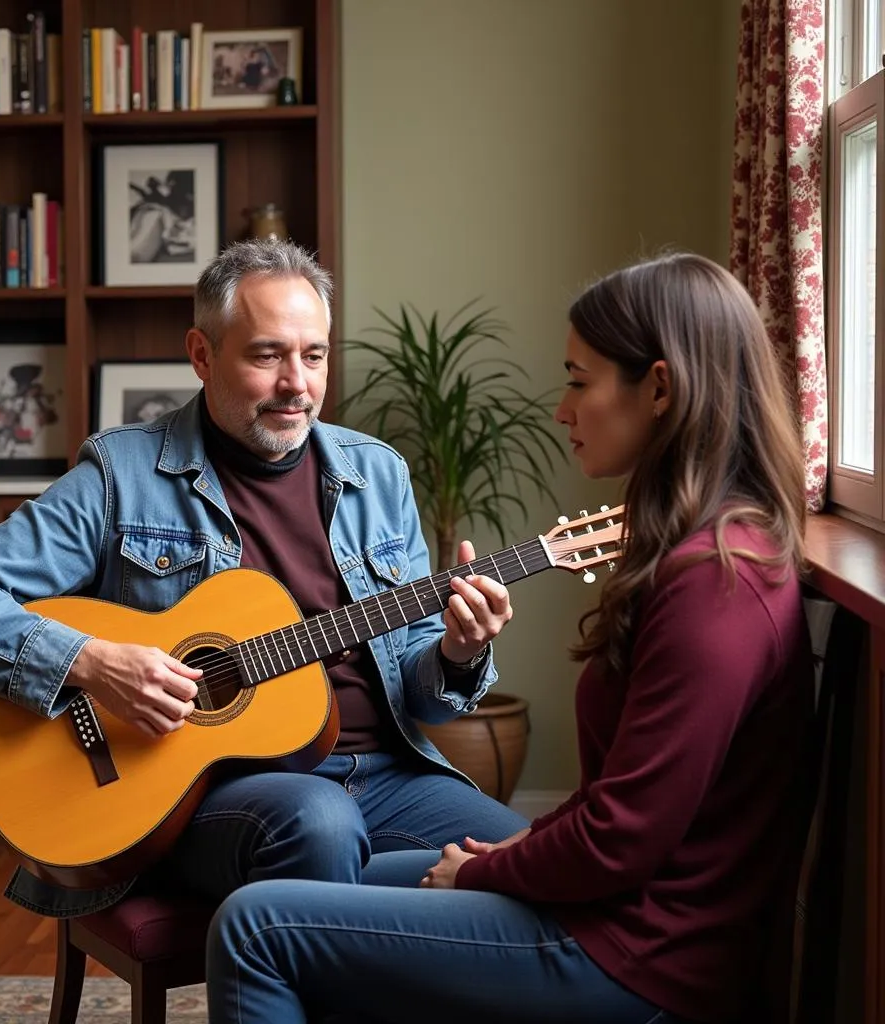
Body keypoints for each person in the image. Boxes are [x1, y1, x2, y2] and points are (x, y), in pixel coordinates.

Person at [202, 252, 815, 1024]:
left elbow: (622, 838)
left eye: (578, 380)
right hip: (619, 916)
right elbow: (617, 807)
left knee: (254, 927)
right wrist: (503, 861)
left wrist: (487, 873)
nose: (561, 409)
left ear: (658, 388)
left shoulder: (716, 586)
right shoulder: (707, 553)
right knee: (349, 886)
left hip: (641, 956)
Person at [0, 239, 527, 920]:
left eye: (313, 356)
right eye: (268, 355)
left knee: (532, 859)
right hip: (214, 792)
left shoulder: (376, 474)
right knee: (318, 825)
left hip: (386, 774)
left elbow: (426, 699)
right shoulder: (122, 477)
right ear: (201, 354)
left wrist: (457, 654)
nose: (298, 384)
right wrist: (91, 662)